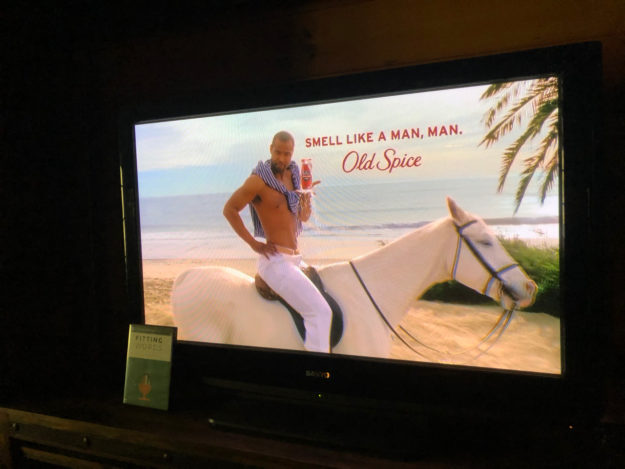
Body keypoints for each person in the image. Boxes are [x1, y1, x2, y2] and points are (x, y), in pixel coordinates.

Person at [223, 131, 332, 353]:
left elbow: (303, 217)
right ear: (270, 149)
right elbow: (229, 209)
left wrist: (306, 196)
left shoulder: (294, 175)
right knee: (321, 312)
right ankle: (318, 368)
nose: (282, 158)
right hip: (275, 262)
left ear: (293, 153)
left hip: (294, 259)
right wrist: (254, 244)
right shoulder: (258, 180)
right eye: (278, 152)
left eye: (287, 154)